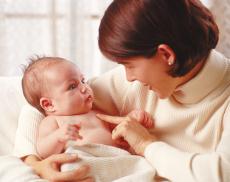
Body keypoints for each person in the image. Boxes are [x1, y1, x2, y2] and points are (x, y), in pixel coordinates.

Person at [14, 0, 230, 181]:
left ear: (166, 55)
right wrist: (35, 164)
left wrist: (146, 144)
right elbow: (42, 106)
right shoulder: (134, 84)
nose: (128, 77)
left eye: (129, 65)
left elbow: (221, 173)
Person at [14, 56, 153, 181]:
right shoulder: (53, 121)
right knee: (72, 166)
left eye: (83, 80)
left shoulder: (96, 112)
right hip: (83, 159)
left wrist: (131, 119)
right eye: (72, 86)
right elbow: (43, 151)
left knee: (142, 167)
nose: (85, 88)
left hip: (115, 158)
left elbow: (118, 129)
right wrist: (58, 137)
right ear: (48, 104)